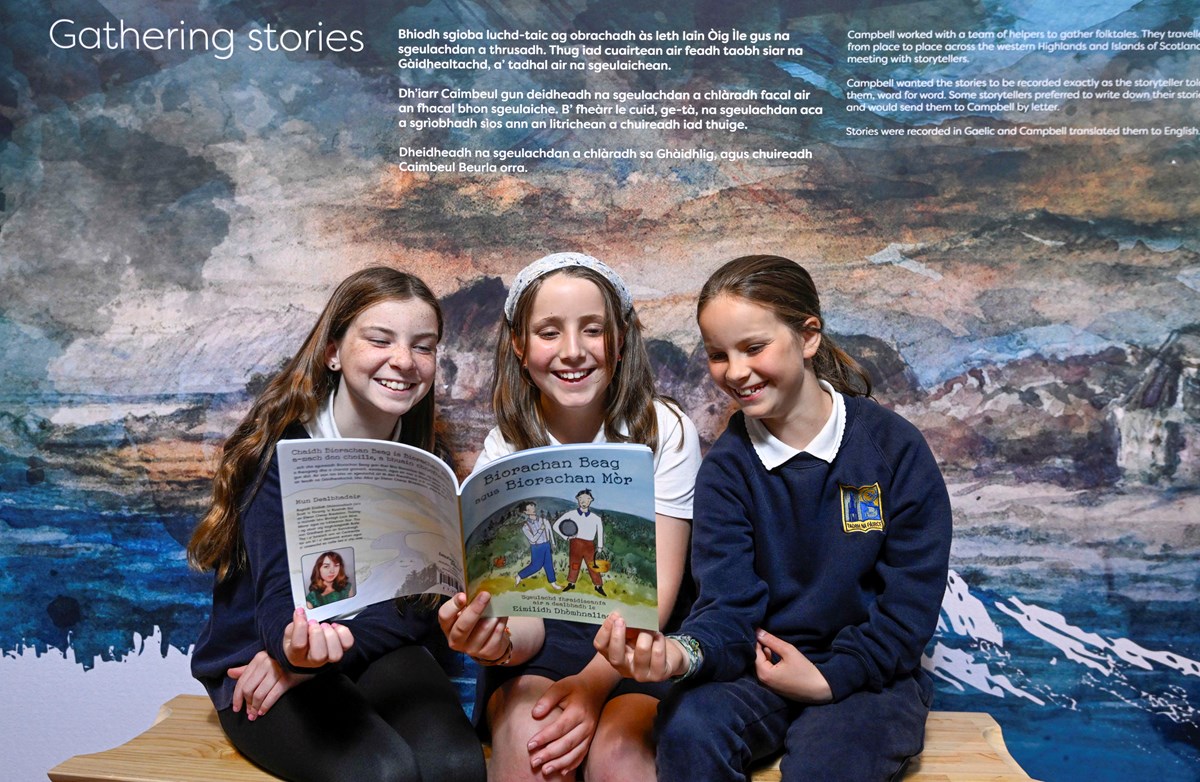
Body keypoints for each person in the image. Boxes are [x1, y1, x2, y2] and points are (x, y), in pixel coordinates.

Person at [595, 254, 953, 781]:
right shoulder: (724, 474)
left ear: (808, 337)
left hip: (869, 679)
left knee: (832, 763)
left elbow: (909, 605)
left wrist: (831, 678)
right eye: (718, 354)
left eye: (754, 347)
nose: (736, 371)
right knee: (688, 725)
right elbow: (728, 607)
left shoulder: (894, 450)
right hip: (755, 671)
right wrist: (680, 655)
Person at [187, 267, 486, 782]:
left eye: (424, 346)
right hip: (260, 661)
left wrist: (328, 651)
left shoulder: (425, 461)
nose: (403, 361)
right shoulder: (280, 455)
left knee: (454, 765)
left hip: (374, 644)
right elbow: (278, 603)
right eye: (379, 339)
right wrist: (295, 655)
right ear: (333, 352)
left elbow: (420, 606)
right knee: (380, 771)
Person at [439, 252, 702, 781]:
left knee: (619, 754)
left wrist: (591, 686)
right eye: (549, 332)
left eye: (593, 330)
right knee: (532, 738)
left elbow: (657, 602)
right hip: (541, 645)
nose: (573, 351)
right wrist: (497, 639)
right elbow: (524, 612)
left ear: (621, 339)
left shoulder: (666, 430)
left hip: (640, 644)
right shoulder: (504, 449)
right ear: (519, 344)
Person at [553, 489, 606, 595]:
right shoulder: (571, 514)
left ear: (591, 500)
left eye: (587, 499)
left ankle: (598, 585)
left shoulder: (596, 518)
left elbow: (600, 531)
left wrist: (600, 546)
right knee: (574, 564)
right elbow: (555, 525)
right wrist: (566, 537)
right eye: (581, 499)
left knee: (592, 565)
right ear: (577, 500)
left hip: (589, 545)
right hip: (575, 543)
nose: (583, 501)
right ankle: (571, 583)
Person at [514, 501, 561, 590]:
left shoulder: (544, 520)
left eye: (533, 507)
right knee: (536, 566)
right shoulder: (525, 526)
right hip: (536, 547)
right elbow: (532, 539)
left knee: (549, 564)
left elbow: (550, 531)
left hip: (546, 545)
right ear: (526, 512)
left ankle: (553, 583)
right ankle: (519, 575)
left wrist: (553, 543)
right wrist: (540, 530)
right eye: (529, 509)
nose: (532, 510)